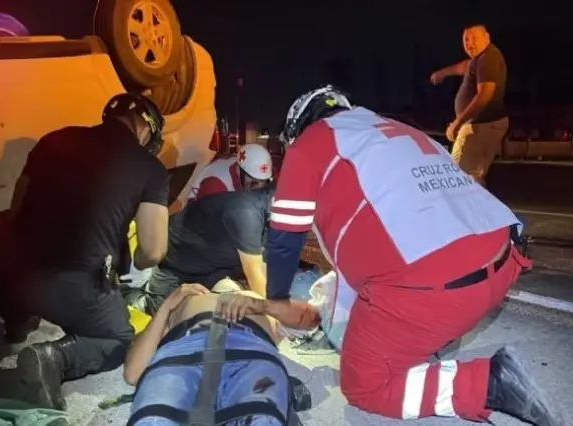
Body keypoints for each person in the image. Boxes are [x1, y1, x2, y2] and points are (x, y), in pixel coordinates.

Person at [230, 85, 562, 426]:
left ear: (301, 127)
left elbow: (285, 239)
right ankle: (423, 344)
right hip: (501, 262)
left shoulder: (312, 142)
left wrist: (277, 300)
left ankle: (486, 385)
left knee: (363, 385)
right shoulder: (400, 130)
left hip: (439, 293)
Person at [0, 93, 171, 410]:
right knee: (120, 340)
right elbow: (153, 251)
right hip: (73, 289)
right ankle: (54, 358)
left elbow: (15, 212)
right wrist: (128, 266)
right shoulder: (150, 169)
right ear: (145, 126)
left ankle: (16, 326)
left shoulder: (54, 140)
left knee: (13, 266)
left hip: (9, 273)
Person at [124, 279, 317, 426]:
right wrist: (167, 306)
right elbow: (133, 373)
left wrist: (264, 305)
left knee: (264, 417)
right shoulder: (186, 298)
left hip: (251, 352)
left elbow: (313, 317)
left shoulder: (260, 302)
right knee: (154, 418)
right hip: (186, 349)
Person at [125, 184, 274, 315]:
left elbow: (264, 268)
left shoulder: (270, 216)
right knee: (164, 315)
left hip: (210, 269)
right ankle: (126, 293)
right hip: (175, 266)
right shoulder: (245, 211)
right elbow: (255, 274)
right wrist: (275, 317)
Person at [430, 24, 508, 187]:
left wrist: (457, 123)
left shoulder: (487, 59)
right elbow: (463, 67)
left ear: (487, 38)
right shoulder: (479, 59)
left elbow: (484, 95)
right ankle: (480, 209)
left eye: (475, 38)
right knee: (474, 175)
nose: (470, 43)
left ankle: (461, 210)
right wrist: (443, 73)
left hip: (478, 126)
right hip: (486, 124)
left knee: (456, 177)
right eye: (466, 39)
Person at [188, 144, 273, 201]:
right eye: (254, 183)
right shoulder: (217, 186)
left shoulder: (240, 165)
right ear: (241, 171)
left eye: (263, 181)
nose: (256, 188)